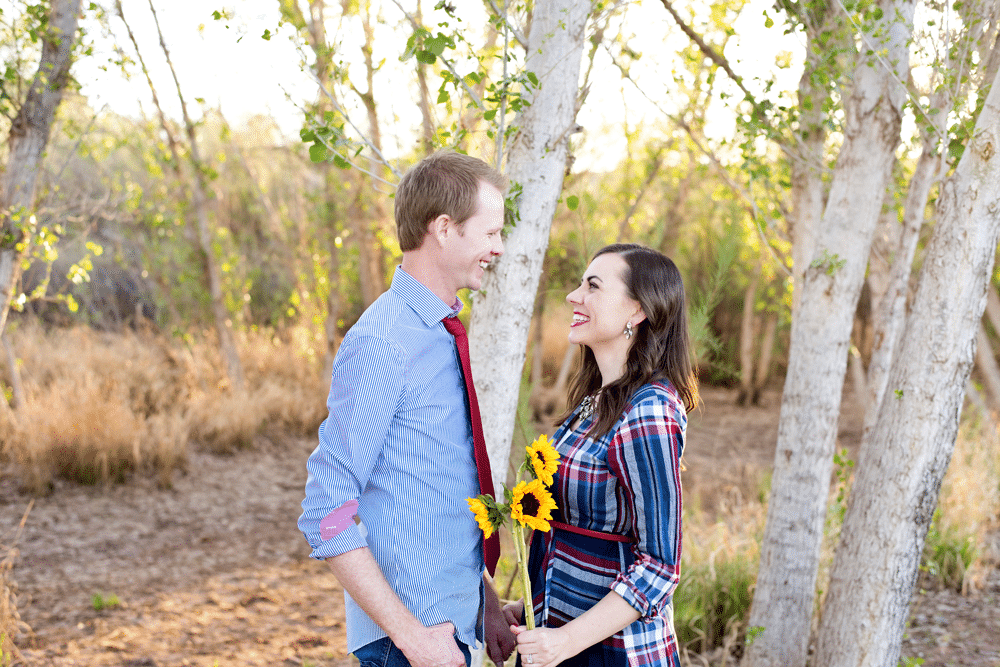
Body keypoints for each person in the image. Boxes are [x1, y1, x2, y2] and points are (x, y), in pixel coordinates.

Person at [298, 151, 517, 667]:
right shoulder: (383, 341)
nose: (499, 248)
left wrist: (481, 603)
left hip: (453, 633)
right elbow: (327, 510)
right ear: (444, 228)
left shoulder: (440, 335)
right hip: (410, 649)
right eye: (490, 233)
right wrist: (413, 638)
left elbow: (430, 492)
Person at [504, 243, 698, 667]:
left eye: (592, 286)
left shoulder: (649, 411)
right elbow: (581, 538)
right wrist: (530, 610)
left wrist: (566, 641)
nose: (574, 296)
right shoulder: (597, 399)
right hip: (561, 635)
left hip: (614, 653)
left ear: (638, 311)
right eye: (579, 284)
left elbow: (659, 568)